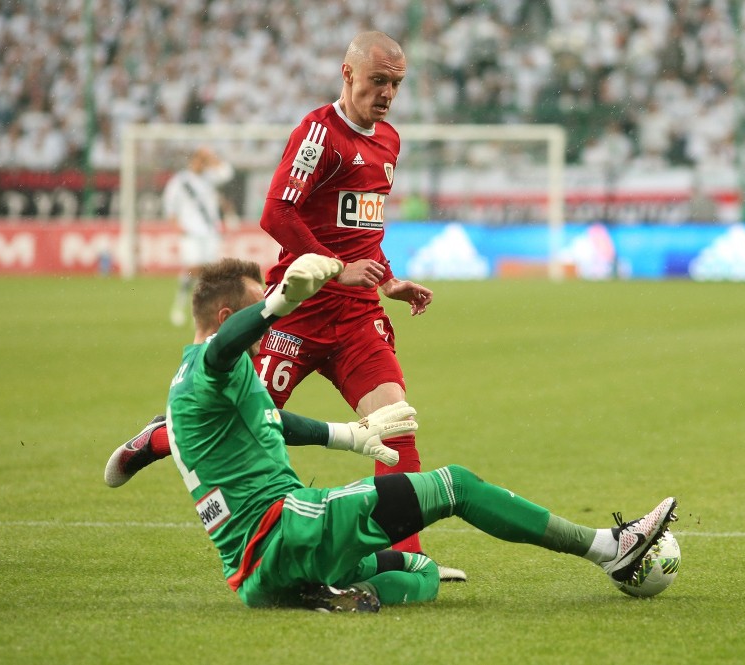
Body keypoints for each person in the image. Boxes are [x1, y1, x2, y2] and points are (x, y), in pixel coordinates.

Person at [105, 31, 467, 581]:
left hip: (355, 320)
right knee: (242, 420)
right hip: (294, 313)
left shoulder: (389, 142)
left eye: (396, 83)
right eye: (378, 82)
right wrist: (332, 267)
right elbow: (276, 214)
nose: (387, 93)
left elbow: (363, 230)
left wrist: (387, 281)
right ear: (347, 75)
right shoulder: (318, 133)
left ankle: (405, 555)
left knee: (396, 427)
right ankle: (158, 435)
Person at [146, 253, 678, 612]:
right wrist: (276, 304)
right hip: (290, 530)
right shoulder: (216, 363)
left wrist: (347, 435)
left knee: (421, 572)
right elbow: (227, 343)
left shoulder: (190, 386)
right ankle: (611, 548)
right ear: (226, 316)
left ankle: (329, 593)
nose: (268, 335)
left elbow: (269, 421)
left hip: (259, 578)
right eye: (254, 315)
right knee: (458, 486)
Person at [162, 146, 235, 326]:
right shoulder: (180, 181)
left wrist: (212, 158)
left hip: (210, 232)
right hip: (191, 233)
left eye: (203, 161)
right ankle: (179, 306)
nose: (201, 164)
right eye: (199, 160)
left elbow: (228, 173)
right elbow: (170, 207)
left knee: (208, 273)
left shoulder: (210, 178)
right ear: (191, 161)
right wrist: (177, 226)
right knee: (192, 268)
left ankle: (201, 312)